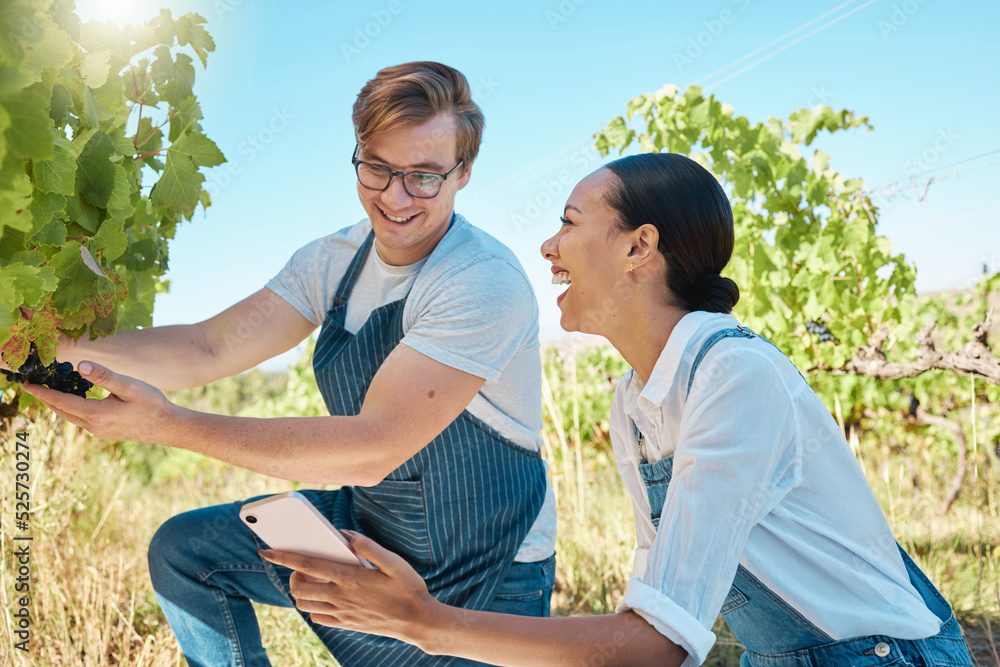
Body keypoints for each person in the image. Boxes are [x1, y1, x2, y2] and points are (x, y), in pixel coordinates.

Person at [260, 153, 975, 667]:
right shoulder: (636, 403)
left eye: (569, 222)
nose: (548, 245)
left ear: (641, 246)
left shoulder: (734, 375)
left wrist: (427, 623)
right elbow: (648, 624)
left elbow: (658, 645)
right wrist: (428, 623)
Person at [21, 61, 557, 667]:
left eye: (424, 177)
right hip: (373, 524)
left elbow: (374, 447)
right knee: (186, 553)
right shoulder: (333, 261)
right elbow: (209, 346)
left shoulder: (480, 280)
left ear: (463, 174)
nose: (395, 196)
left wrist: (167, 425)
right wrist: (41, 345)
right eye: (377, 168)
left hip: (488, 574)